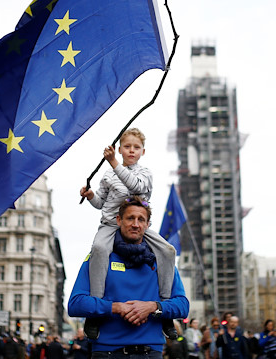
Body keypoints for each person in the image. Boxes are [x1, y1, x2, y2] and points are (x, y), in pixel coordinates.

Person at [79, 128, 177, 340]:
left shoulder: (145, 173)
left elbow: (135, 187)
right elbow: (101, 203)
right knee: (98, 249)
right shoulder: (107, 174)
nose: (132, 150)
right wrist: (90, 196)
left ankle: (165, 308)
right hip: (110, 224)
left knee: (168, 251)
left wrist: (114, 163)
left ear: (143, 151)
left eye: (136, 147)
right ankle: (95, 312)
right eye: (127, 146)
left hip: (136, 222)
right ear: (120, 149)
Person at [68, 195, 189, 358]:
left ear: (147, 225)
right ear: (118, 220)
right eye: (130, 218)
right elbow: (75, 304)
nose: (135, 224)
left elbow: (183, 305)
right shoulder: (99, 257)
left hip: (150, 352)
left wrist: (152, 307)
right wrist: (115, 307)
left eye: (141, 219)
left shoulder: (162, 260)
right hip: (107, 352)